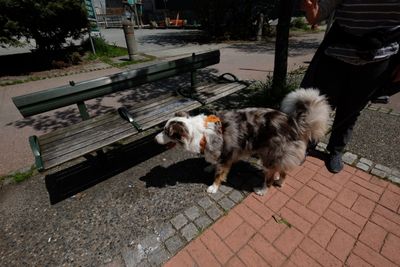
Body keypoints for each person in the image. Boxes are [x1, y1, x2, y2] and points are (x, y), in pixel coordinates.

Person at [301, 0, 400, 173]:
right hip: (337, 54)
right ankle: (308, 143)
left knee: (351, 110)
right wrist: (311, 10)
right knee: (320, 105)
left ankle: (336, 150)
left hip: (378, 58)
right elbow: (316, 16)